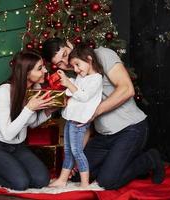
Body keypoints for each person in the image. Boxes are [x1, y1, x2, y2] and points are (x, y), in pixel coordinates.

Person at [42, 37, 165, 189]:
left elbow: (127, 89)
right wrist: (75, 155)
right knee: (77, 175)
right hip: (103, 137)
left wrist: (93, 113)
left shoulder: (102, 55)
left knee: (108, 181)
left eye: (65, 54)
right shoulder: (74, 75)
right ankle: (118, 163)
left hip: (130, 128)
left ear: (69, 44)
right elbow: (82, 123)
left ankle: (149, 159)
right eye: (59, 63)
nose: (66, 63)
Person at [0, 51, 57, 190]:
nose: (45, 70)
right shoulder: (4, 91)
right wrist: (29, 109)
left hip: (18, 147)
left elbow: (32, 123)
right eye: (40, 68)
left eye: (43, 66)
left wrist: (48, 111)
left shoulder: (33, 90)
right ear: (26, 73)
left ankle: (12, 170)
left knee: (42, 180)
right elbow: (7, 134)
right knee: (21, 183)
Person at [49, 44, 103, 188]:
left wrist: (69, 83)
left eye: (78, 65)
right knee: (68, 151)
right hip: (70, 118)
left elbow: (84, 96)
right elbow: (73, 91)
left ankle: (85, 183)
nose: (77, 69)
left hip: (79, 121)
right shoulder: (81, 76)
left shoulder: (96, 78)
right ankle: (62, 179)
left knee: (77, 151)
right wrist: (67, 81)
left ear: (89, 59)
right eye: (74, 66)